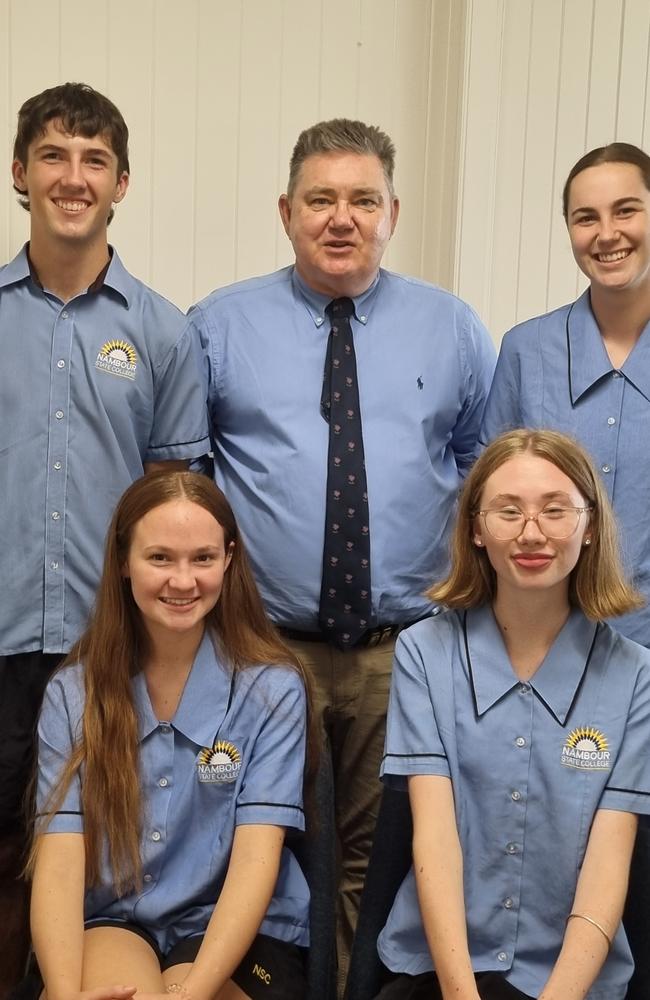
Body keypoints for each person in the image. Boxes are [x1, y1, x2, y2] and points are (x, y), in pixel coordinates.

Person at [187, 117, 496, 986]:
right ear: (286, 210)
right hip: (261, 646)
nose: (341, 218)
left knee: (376, 851)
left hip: (407, 648)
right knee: (261, 840)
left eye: (363, 200)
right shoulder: (217, 326)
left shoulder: (453, 327)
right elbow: (189, 483)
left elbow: (481, 468)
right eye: (320, 199)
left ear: (393, 211)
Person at [0, 82, 209, 989]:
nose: (72, 178)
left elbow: (180, 502)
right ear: (19, 173)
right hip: (0, 639)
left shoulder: (164, 333)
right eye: (53, 155)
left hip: (109, 651)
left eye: (94, 161)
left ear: (122, 181)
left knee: (91, 865)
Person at [375, 429, 650, 1000]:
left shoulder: (635, 676)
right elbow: (434, 839)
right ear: (475, 527)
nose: (532, 533)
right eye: (508, 511)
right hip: (442, 971)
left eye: (556, 511)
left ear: (591, 525)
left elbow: (607, 865)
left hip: (571, 980)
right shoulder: (424, 654)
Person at [30, 471, 311, 1000]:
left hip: (230, 925)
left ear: (228, 560)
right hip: (113, 919)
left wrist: (190, 994)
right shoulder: (74, 693)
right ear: (122, 563)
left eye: (202, 558)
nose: (182, 581)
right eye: (159, 558)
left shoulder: (272, 689)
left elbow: (255, 861)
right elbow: (61, 860)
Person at [481, 142, 650, 648]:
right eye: (585, 218)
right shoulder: (525, 352)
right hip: (537, 644)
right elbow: (489, 505)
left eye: (626, 211)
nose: (606, 234)